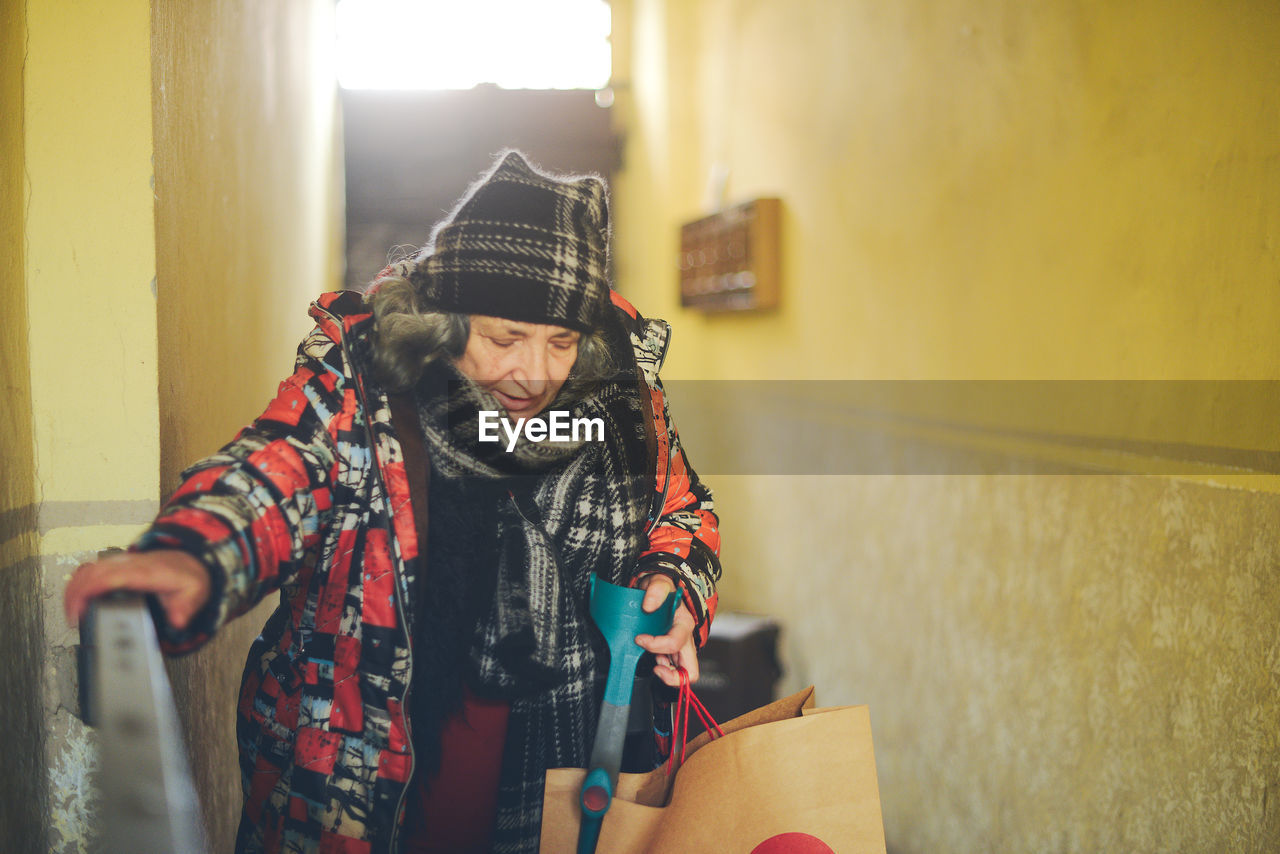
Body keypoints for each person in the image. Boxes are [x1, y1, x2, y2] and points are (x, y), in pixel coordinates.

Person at [63, 150, 722, 854]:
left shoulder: (619, 399)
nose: (535, 375)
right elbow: (276, 471)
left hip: (559, 761)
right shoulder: (368, 382)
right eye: (506, 338)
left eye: (561, 342)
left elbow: (680, 511)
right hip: (367, 766)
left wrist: (675, 584)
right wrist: (194, 554)